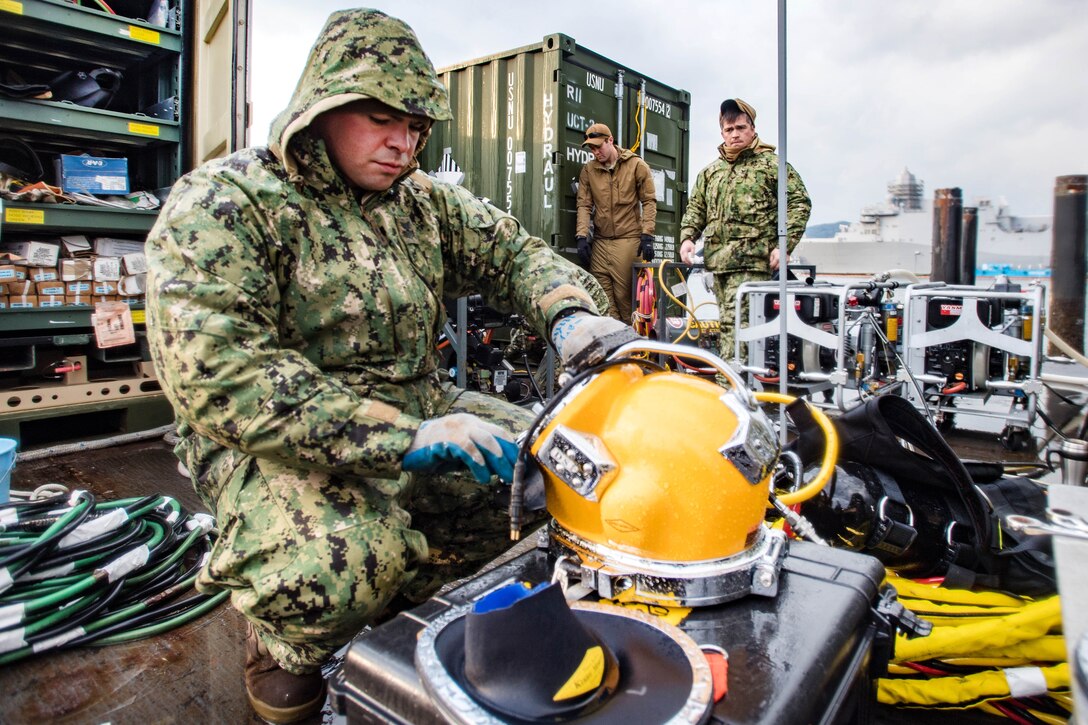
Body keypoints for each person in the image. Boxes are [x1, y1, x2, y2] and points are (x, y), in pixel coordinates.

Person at [144, 9, 632, 723]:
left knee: (561, 470)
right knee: (344, 566)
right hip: (271, 443)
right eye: (380, 120)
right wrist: (401, 439)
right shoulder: (228, 202)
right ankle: (285, 641)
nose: (402, 144)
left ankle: (420, 571)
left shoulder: (422, 205)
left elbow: (512, 253)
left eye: (416, 128)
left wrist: (568, 312)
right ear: (324, 106)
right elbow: (219, 376)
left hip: (417, 405)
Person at [678, 98, 811, 362]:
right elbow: (696, 208)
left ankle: (737, 384)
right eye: (729, 130)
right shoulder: (711, 172)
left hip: (753, 262)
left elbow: (799, 203)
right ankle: (735, 380)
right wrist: (688, 238)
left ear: (752, 129)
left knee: (743, 324)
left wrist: (784, 245)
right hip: (719, 263)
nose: (735, 134)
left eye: (740, 127)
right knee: (728, 322)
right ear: (722, 133)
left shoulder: (771, 166)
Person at [576, 122, 657, 325]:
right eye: (592, 149)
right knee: (601, 302)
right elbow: (584, 205)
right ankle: (615, 349)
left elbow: (649, 200)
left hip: (627, 241)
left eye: (598, 146)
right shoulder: (589, 170)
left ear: (610, 140)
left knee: (625, 301)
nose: (596, 152)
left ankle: (636, 349)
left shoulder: (636, 165)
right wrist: (581, 236)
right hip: (601, 244)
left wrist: (647, 235)